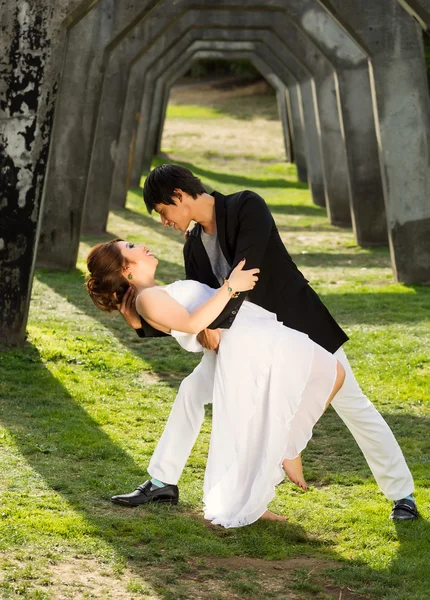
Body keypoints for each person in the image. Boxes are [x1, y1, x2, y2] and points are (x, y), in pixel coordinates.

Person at [106, 164, 418, 522]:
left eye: (163, 211)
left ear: (178, 196)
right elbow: (197, 304)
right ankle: (162, 480)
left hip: (298, 326)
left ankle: (402, 495)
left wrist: (211, 322)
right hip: (240, 343)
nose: (164, 222)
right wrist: (154, 324)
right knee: (192, 391)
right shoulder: (193, 246)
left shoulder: (245, 206)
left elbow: (246, 276)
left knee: (353, 404)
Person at [86, 238, 346, 526]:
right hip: (245, 339)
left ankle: (276, 457)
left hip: (241, 336)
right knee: (328, 373)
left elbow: (187, 322)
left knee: (197, 395)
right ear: (127, 269)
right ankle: (281, 459)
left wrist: (145, 323)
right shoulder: (147, 298)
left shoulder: (153, 295)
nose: (142, 245)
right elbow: (191, 323)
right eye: (132, 246)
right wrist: (231, 286)